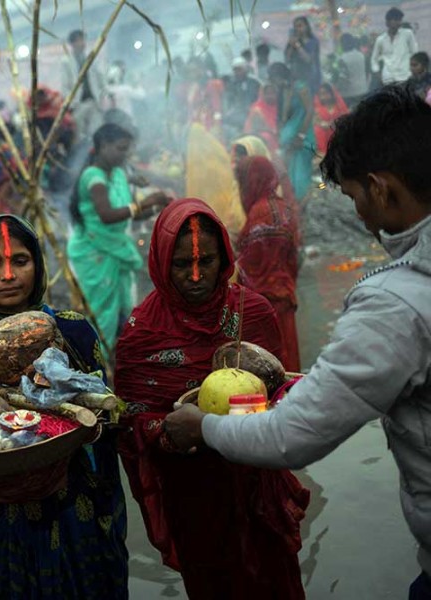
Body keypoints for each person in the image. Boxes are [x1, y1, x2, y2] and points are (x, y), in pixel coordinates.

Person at [164, 84, 431, 598]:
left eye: (355, 198)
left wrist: (205, 426)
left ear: (382, 189)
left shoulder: (395, 304)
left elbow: (293, 435)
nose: (361, 218)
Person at [0, 213, 129, 599]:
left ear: (38, 263)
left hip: (76, 503)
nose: (9, 276)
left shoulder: (73, 331)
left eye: (20, 260)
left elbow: (108, 421)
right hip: (0, 516)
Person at [116, 197, 309, 599]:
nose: (197, 275)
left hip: (256, 480)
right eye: (182, 264)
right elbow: (131, 421)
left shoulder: (252, 311)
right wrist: (171, 433)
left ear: (225, 256)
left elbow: (279, 387)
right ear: (160, 263)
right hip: (194, 491)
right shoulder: (141, 332)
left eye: (208, 261)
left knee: (276, 581)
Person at [67, 123, 170, 352]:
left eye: (127, 149)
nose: (125, 155)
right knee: (102, 311)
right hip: (94, 250)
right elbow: (106, 215)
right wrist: (145, 202)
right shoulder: (93, 177)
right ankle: (98, 360)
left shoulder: (118, 174)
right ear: (103, 146)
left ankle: (121, 352)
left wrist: (157, 207)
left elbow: (129, 213)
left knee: (125, 306)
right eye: (121, 148)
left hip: (115, 246)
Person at [235, 156, 302, 371]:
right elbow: (295, 257)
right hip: (285, 297)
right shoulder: (284, 208)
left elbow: (250, 266)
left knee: (268, 368)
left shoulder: (259, 213)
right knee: (288, 362)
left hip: (264, 305)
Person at [270, 62, 315, 202]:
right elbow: (284, 116)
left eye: (275, 78)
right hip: (289, 140)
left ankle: (306, 200)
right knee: (289, 175)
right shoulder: (284, 91)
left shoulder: (301, 88)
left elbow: (309, 111)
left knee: (301, 175)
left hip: (303, 137)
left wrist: (300, 136)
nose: (274, 82)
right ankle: (295, 205)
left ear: (281, 75)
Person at [61, 29, 106, 144]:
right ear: (72, 44)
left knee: (97, 131)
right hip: (78, 104)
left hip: (93, 101)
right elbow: (65, 85)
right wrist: (71, 104)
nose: (82, 43)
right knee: (79, 135)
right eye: (78, 40)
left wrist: (102, 96)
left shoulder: (91, 58)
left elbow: (101, 80)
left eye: (83, 40)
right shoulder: (66, 61)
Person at [371, 7, 419, 85]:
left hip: (405, 78)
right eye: (396, 20)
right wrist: (378, 75)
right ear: (387, 22)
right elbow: (374, 60)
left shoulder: (407, 34)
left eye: (399, 20)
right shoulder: (380, 40)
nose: (398, 22)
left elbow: (415, 53)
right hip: (387, 80)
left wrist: (414, 73)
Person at [223, 57, 261, 139]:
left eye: (239, 69)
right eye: (235, 70)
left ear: (245, 69)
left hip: (252, 112)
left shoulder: (254, 82)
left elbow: (259, 98)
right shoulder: (231, 84)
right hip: (236, 112)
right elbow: (228, 100)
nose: (237, 72)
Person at [284, 16, 321, 93]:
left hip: (311, 77)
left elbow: (309, 59)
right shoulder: (293, 41)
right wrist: (291, 45)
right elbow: (287, 59)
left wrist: (298, 46)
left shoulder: (313, 41)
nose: (298, 29)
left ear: (306, 26)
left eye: (300, 26)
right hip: (295, 77)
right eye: (296, 27)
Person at [243, 83, 279, 156]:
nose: (270, 96)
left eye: (272, 93)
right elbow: (255, 128)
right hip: (260, 138)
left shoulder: (281, 107)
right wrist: (272, 131)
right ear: (263, 95)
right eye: (267, 94)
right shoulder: (257, 109)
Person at [313, 82, 349, 156]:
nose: (324, 96)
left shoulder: (339, 106)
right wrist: (324, 124)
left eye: (326, 93)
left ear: (332, 93)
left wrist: (334, 123)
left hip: (338, 131)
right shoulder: (318, 109)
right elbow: (315, 121)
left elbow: (346, 118)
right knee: (317, 129)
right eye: (321, 94)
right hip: (325, 133)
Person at [336, 33, 369, 108]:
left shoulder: (342, 59)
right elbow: (366, 72)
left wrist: (336, 89)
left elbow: (343, 79)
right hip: (363, 90)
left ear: (342, 44)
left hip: (349, 94)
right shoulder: (361, 55)